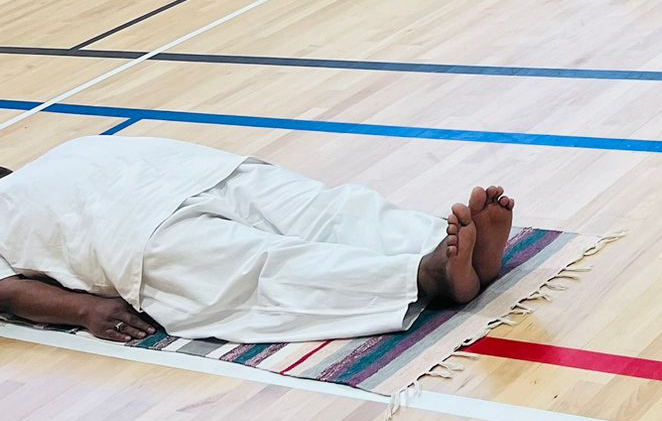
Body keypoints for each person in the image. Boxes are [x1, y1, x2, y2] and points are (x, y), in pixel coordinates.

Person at [0, 133, 520, 343]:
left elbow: (7, 293)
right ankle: (436, 243)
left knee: (266, 269)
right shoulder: (70, 148)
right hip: (205, 171)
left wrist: (84, 311)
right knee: (329, 211)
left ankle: (424, 275)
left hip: (135, 233)